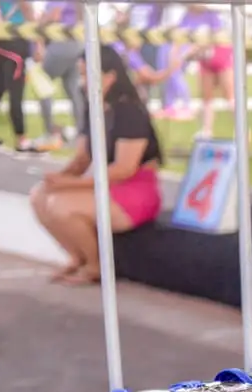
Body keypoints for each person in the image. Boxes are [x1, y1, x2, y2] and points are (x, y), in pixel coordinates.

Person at [30, 45, 163, 284]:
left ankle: (95, 265)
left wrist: (70, 184)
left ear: (110, 77)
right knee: (40, 196)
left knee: (61, 206)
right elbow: (83, 158)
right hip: (109, 183)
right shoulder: (94, 107)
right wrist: (59, 178)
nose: (82, 82)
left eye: (86, 75)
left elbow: (125, 169)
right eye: (81, 75)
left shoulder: (129, 111)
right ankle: (77, 256)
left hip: (135, 191)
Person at [0, 0, 38, 153]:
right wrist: (39, 40)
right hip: (16, 41)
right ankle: (21, 139)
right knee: (16, 91)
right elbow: (26, 7)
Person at [35, 1, 86, 150]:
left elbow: (54, 14)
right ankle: (81, 133)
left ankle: (50, 132)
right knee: (73, 89)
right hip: (76, 42)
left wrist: (38, 25)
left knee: (43, 83)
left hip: (61, 43)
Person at [181, 4, 231, 139]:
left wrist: (195, 49)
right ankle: (206, 130)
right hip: (203, 59)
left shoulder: (211, 14)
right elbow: (184, 37)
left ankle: (242, 130)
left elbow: (218, 34)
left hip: (220, 55)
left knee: (229, 94)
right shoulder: (186, 16)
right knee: (206, 96)